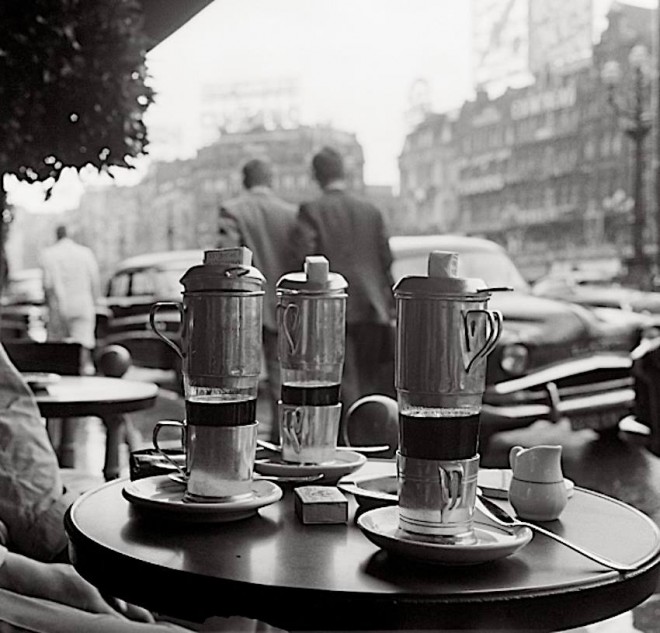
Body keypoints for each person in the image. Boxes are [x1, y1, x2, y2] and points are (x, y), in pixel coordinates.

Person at [291, 146, 396, 416]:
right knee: (370, 379)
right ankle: (375, 433)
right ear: (344, 172)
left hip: (332, 309)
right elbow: (386, 258)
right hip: (373, 308)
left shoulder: (311, 211)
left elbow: (306, 258)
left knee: (342, 378)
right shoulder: (370, 210)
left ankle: (351, 438)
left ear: (316, 175)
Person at [218, 159, 298, 441]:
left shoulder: (232, 211)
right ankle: (283, 440)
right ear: (271, 180)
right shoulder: (291, 213)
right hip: (284, 307)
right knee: (281, 378)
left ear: (244, 180)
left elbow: (228, 262)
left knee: (239, 378)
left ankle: (238, 443)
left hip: (246, 308)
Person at [40, 224, 101, 374]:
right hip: (82, 305)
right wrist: (95, 302)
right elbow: (95, 281)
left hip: (59, 308)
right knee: (83, 349)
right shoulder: (85, 253)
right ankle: (86, 382)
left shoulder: (49, 254)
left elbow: (47, 285)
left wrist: (48, 308)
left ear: (57, 235)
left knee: (59, 354)